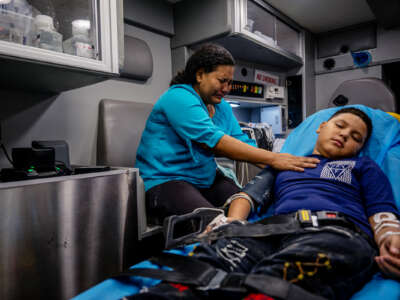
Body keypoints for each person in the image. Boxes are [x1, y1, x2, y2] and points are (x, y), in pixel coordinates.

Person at [131, 107, 400, 300]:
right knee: (210, 262)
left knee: (284, 277)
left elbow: (382, 211)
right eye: (340, 126)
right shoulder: (284, 166)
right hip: (271, 231)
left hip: (336, 232)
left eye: (356, 137)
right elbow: (246, 196)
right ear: (321, 127)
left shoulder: (362, 166)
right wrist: (231, 224)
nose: (345, 135)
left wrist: (391, 240)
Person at [135, 43, 318, 224]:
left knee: (249, 210)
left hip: (204, 180)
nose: (227, 88)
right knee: (213, 224)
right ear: (200, 75)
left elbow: (243, 143)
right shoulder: (178, 97)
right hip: (166, 181)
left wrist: (290, 169)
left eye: (230, 82)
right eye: (222, 81)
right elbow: (214, 142)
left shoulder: (221, 106)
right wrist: (275, 159)